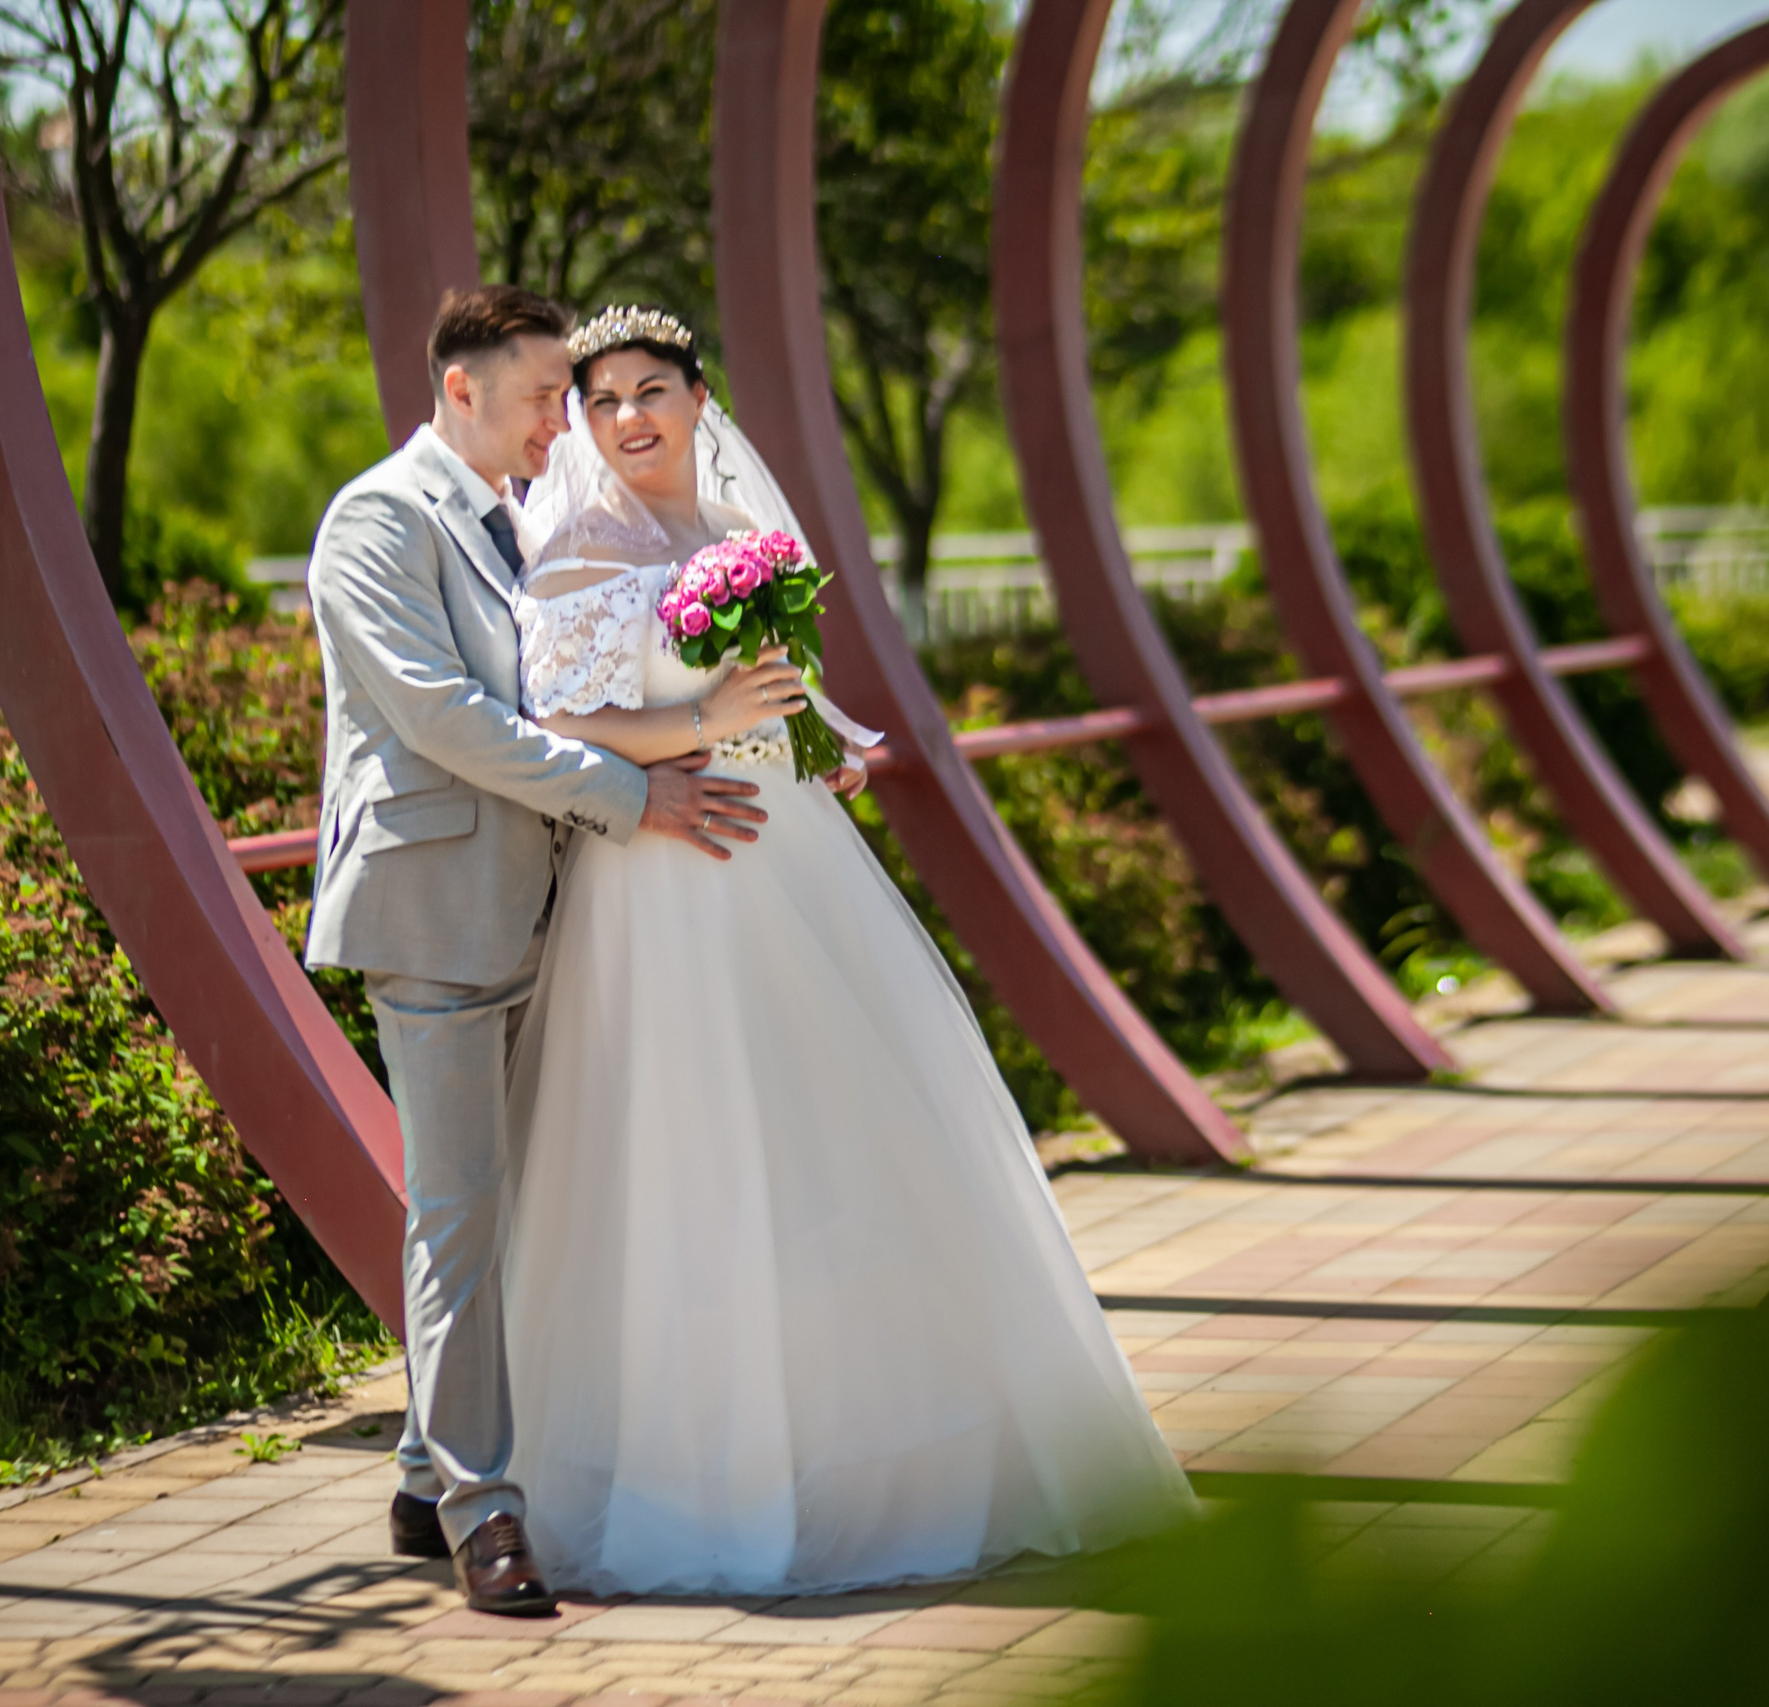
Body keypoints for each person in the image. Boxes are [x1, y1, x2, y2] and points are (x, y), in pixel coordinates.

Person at [498, 304, 1198, 1599]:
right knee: (686, 1158)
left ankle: (879, 1464)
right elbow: (571, 721)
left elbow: (791, 693)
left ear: (701, 400)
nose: (629, 417)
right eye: (603, 401)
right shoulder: (575, 547)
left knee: (845, 1139)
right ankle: (704, 1477)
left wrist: (821, 748)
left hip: (786, 858)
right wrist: (705, 719)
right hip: (664, 881)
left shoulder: (739, 541)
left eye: (653, 389)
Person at [301, 286, 767, 1616]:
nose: (560, 419)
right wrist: (637, 793)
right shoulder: (377, 520)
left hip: (546, 902)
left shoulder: (531, 511)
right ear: (457, 388)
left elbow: (570, 679)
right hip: (440, 905)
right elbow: (449, 718)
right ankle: (482, 1512)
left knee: (513, 1205)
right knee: (457, 1217)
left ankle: (414, 1470)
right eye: (537, 396)